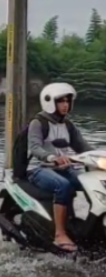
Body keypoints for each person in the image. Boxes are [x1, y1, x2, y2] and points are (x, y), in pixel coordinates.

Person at [26, 83, 90, 252]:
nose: (65, 105)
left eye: (68, 101)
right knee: (63, 186)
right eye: (61, 101)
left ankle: (91, 227)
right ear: (50, 102)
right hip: (41, 169)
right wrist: (52, 157)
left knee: (90, 182)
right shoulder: (38, 123)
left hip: (66, 168)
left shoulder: (68, 125)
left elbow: (84, 147)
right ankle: (59, 234)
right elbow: (34, 147)